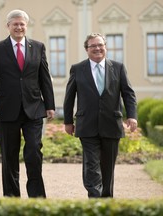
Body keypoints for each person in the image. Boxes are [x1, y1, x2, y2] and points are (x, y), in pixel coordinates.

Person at [0, 9, 55, 198]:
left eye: (22, 24)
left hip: (34, 108)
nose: (19, 27)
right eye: (15, 24)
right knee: (9, 156)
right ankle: (11, 198)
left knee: (33, 151)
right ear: (8, 26)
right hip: (6, 110)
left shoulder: (38, 47)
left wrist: (50, 105)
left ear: (26, 26)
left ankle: (37, 198)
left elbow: (44, 77)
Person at [63, 33, 137, 198]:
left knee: (107, 167)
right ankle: (95, 198)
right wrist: (68, 121)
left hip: (112, 124)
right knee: (91, 164)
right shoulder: (77, 69)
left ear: (105, 47)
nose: (97, 48)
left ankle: (106, 200)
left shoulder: (118, 67)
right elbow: (69, 97)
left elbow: (128, 94)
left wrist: (132, 116)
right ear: (87, 49)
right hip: (86, 124)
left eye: (100, 45)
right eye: (93, 46)